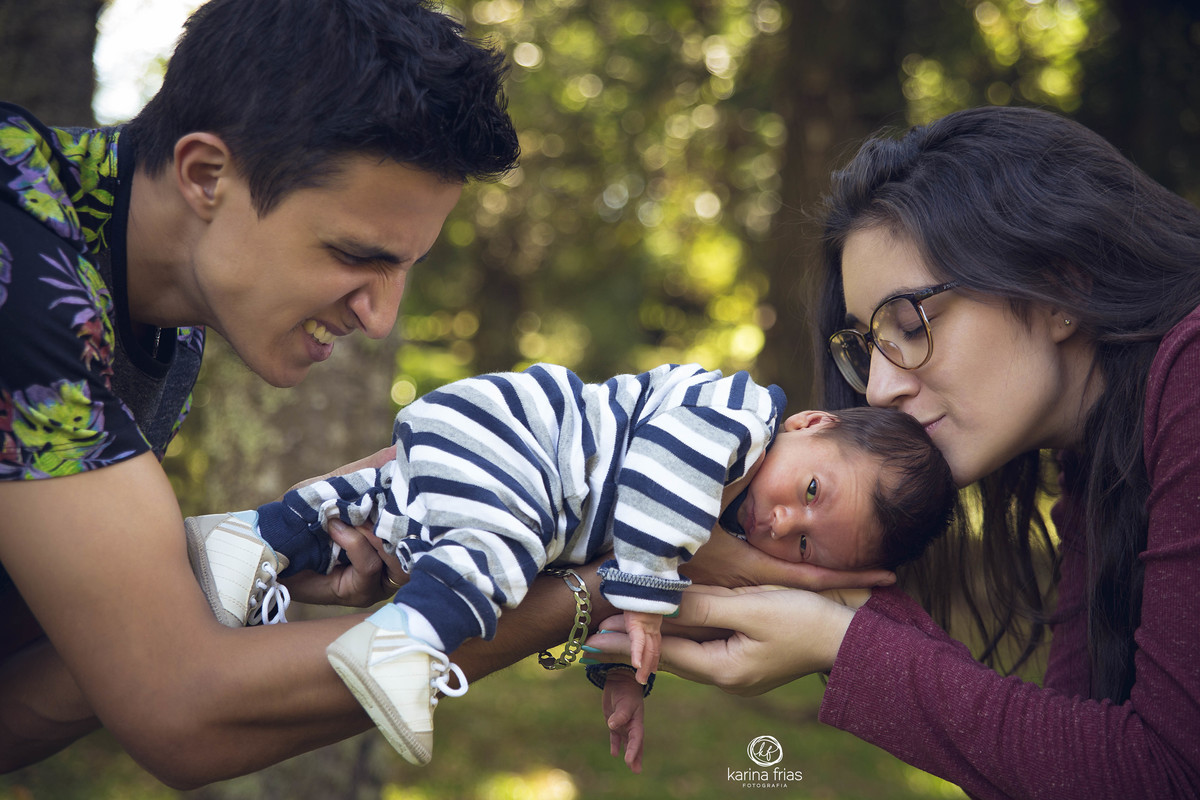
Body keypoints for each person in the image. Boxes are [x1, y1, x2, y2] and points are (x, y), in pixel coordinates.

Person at [0, 0, 901, 785]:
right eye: (356, 256)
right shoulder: (30, 288)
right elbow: (184, 714)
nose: (381, 316)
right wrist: (601, 588)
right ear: (206, 175)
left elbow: (58, 694)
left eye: (405, 269)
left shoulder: (143, 307)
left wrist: (435, 513)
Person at [587, 104, 1200, 796]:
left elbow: (1166, 775)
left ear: (1062, 285)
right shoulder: (1102, 461)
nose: (879, 388)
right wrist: (827, 606)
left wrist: (837, 644)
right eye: (868, 345)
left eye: (909, 324)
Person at [183, 362, 955, 767]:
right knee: (503, 547)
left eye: (808, 547)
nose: (782, 522)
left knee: (376, 511)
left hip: (491, 458)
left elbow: (635, 574)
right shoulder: (739, 417)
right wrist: (652, 595)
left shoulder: (722, 505)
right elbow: (658, 490)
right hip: (522, 446)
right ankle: (404, 642)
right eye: (811, 489)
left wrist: (625, 671)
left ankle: (254, 539)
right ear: (810, 423)